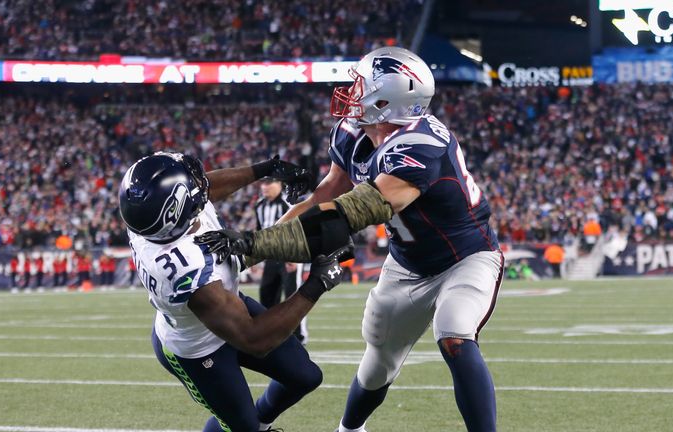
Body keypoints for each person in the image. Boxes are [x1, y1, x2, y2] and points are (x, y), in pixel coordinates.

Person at [197, 47, 504, 432]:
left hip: (465, 257)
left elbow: (349, 215)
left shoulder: (421, 146)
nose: (352, 91)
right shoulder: (353, 132)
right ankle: (350, 429)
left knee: (454, 333)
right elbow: (326, 195)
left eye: (361, 85)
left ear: (386, 98)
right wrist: (254, 246)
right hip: (407, 263)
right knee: (378, 363)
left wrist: (254, 245)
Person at [120, 151, 349, 432]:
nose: (201, 185)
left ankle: (262, 425)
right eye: (191, 186)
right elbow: (254, 339)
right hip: (198, 350)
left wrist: (265, 168)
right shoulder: (183, 268)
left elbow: (206, 188)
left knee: (306, 376)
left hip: (227, 306)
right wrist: (317, 283)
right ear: (177, 209)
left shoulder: (149, 218)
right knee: (241, 428)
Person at [254, 178, 307, 343]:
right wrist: (256, 259)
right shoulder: (259, 205)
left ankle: (299, 336)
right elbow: (259, 232)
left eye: (269, 183)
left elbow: (298, 229)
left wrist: (293, 256)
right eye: (263, 183)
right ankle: (272, 334)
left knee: (293, 297)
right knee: (267, 294)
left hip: (290, 255)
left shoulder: (288, 203)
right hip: (270, 256)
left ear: (279, 184)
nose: (265, 186)